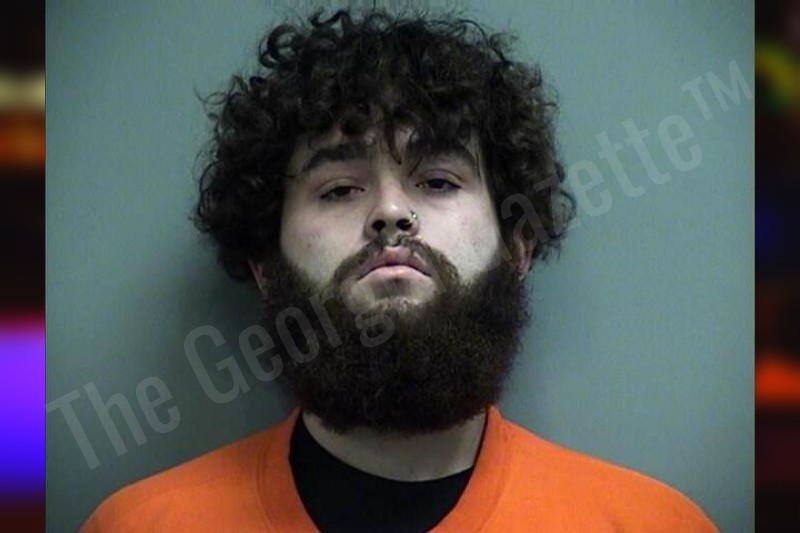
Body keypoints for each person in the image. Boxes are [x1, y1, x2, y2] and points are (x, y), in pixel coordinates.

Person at [81, 9, 718, 532]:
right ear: (265, 266)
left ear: (518, 248)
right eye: (339, 189)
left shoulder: (653, 524)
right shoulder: (139, 525)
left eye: (437, 181)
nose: (391, 212)